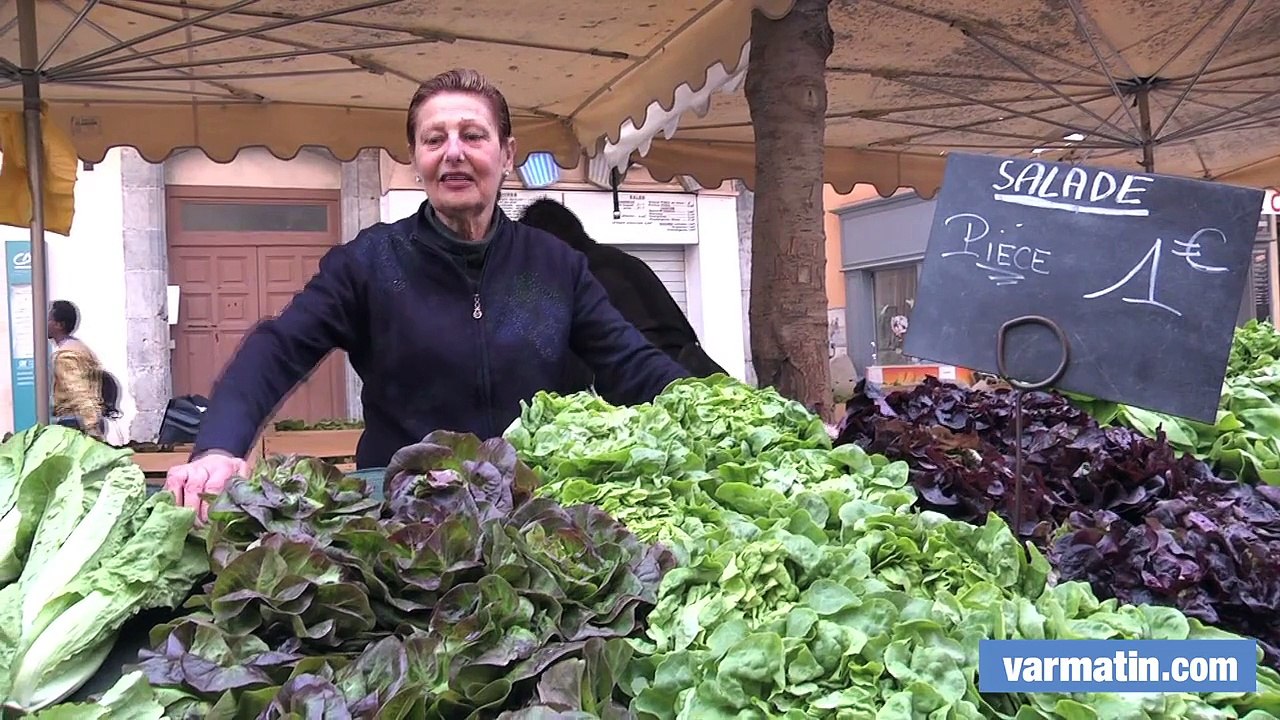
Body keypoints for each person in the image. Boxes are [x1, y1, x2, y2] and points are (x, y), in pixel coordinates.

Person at [164, 68, 689, 520]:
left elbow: (634, 365)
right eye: (434, 139)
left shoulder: (555, 265)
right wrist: (218, 447)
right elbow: (277, 348)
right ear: (416, 158)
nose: (453, 153)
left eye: (472, 136)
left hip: (530, 516)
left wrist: (724, 416)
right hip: (402, 519)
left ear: (506, 155)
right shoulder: (368, 263)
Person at [518, 198, 727, 389]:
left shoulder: (576, 279)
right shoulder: (621, 261)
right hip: (695, 376)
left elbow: (575, 365)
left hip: (652, 386)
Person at [48, 299, 107, 439]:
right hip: (82, 419)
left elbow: (79, 391)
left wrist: (92, 427)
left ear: (59, 325)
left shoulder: (65, 355)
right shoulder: (80, 348)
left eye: (48, 319)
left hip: (74, 422)